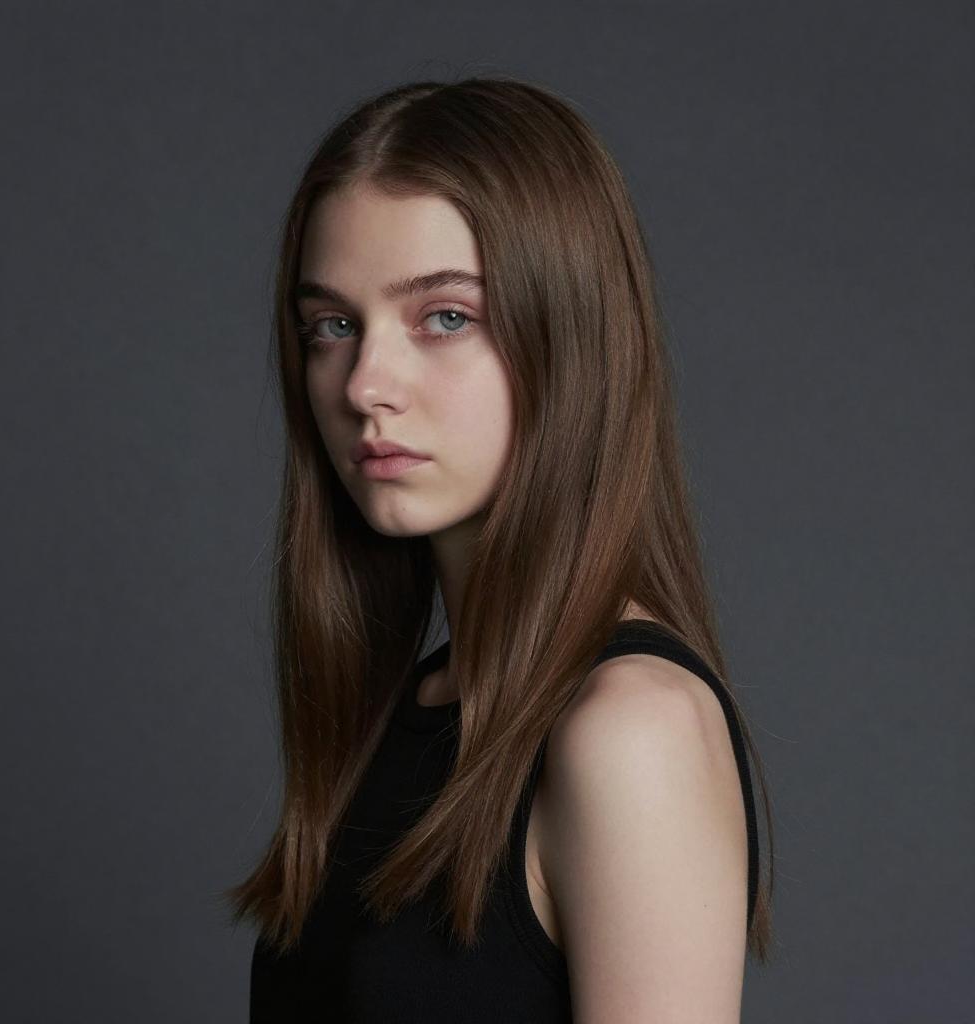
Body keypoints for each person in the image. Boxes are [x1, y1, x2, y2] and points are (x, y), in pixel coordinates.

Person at [225, 74, 775, 1022]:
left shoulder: (628, 729)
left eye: (446, 316)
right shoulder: (410, 711)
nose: (364, 384)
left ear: (571, 336)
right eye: (333, 326)